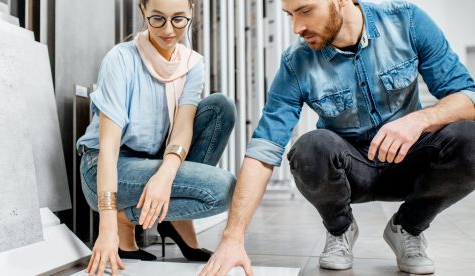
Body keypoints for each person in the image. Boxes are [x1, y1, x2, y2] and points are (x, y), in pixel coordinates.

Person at [199, 0, 475, 275]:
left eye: (305, 11)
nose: (297, 27)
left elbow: (468, 96)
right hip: (351, 172)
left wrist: (421, 119)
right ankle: (340, 228)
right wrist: (232, 239)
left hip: (409, 163)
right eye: (289, 15)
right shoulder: (296, 61)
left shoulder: (407, 21)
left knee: (471, 138)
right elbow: (263, 149)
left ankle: (408, 227)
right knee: (310, 147)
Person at [76, 0, 237, 275]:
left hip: (153, 160)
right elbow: (108, 147)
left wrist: (166, 175)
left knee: (220, 108)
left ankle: (168, 220)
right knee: (221, 189)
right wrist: (107, 228)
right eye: (157, 19)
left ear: (190, 14)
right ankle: (123, 220)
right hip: (108, 166)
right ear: (143, 12)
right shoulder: (121, 59)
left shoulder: (191, 64)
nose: (168, 30)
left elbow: (183, 127)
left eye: (178, 20)